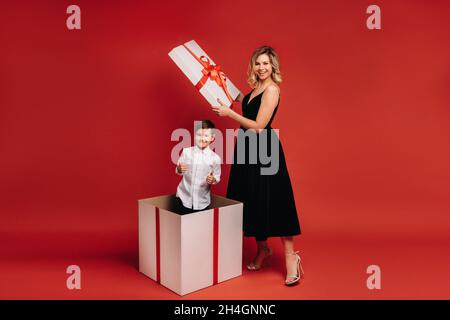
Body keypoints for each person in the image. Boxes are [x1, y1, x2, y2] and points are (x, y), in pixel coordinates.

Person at [211, 46, 304, 286]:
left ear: (273, 65)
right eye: (257, 63)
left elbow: (259, 126)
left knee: (276, 200)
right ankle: (263, 249)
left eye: (265, 63)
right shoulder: (256, 89)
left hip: (264, 150)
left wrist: (229, 114)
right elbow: (248, 103)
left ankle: (291, 258)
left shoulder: (272, 89)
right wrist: (225, 86)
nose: (261, 68)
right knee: (250, 198)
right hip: (247, 149)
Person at [175, 120, 221, 214]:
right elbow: (178, 170)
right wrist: (179, 169)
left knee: (199, 227)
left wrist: (213, 179)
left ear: (212, 138)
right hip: (183, 198)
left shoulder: (215, 158)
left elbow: (217, 176)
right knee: (182, 226)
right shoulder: (186, 152)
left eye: (206, 136)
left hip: (202, 202)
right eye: (199, 135)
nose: (202, 138)